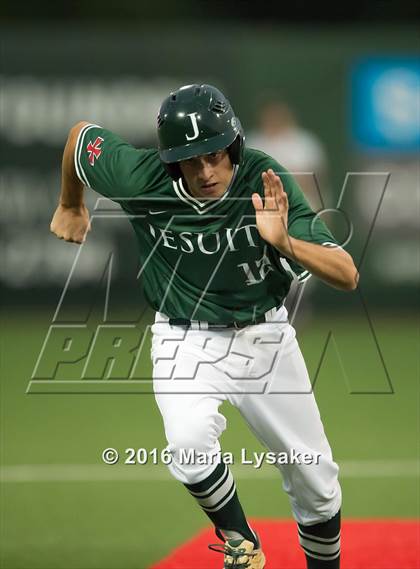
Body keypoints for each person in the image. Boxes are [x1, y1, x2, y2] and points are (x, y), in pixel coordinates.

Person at [50, 84, 358, 569]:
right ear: (171, 161)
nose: (205, 171)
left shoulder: (264, 180)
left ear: (232, 146)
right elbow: (79, 138)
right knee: (188, 444)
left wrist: (284, 241)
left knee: (316, 487)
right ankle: (241, 542)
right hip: (183, 338)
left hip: (265, 339)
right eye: (190, 160)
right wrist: (71, 203)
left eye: (214, 155)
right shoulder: (139, 177)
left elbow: (347, 274)